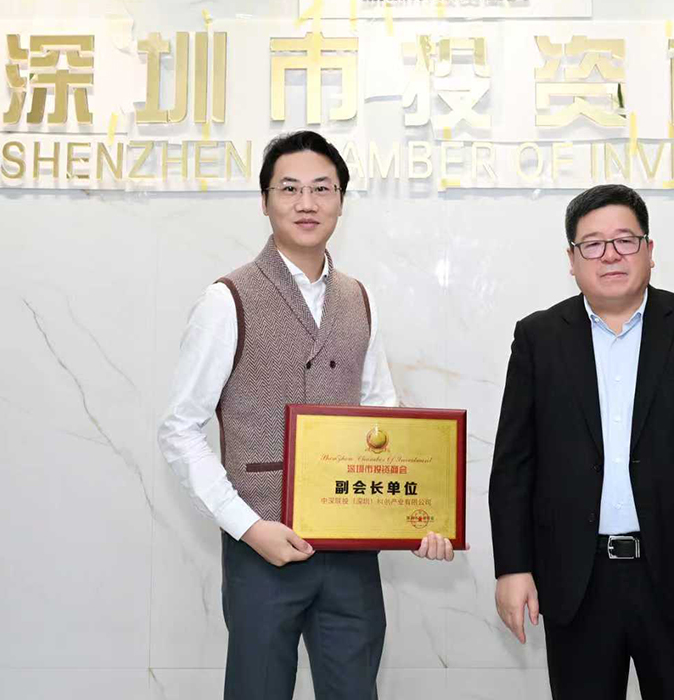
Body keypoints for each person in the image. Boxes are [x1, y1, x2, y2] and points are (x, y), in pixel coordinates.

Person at [158, 130, 455, 700]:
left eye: (322, 188)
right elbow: (180, 428)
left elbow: (383, 418)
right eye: (289, 188)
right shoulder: (227, 299)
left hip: (352, 551)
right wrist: (248, 527)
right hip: (262, 546)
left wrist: (416, 516)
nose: (306, 202)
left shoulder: (359, 297)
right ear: (264, 200)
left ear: (341, 200)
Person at [488, 184, 674, 699]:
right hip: (577, 580)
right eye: (592, 244)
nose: (610, 254)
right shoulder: (538, 338)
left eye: (625, 240)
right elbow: (513, 466)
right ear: (572, 260)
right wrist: (512, 567)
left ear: (649, 251)